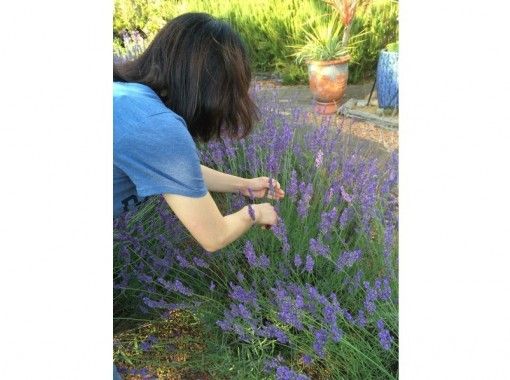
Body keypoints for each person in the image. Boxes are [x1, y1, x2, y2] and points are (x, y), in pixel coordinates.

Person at [114, 12, 284, 251]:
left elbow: (175, 169)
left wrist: (244, 185)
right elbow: (214, 236)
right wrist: (255, 213)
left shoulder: (128, 98)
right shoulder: (158, 127)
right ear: (213, 89)